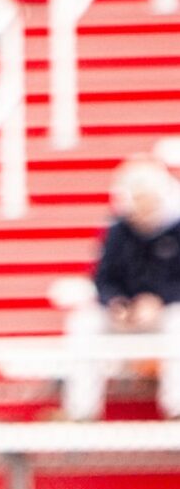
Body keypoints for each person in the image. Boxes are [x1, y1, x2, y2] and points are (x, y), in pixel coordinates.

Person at [62, 154, 180, 423]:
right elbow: (103, 278)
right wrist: (116, 303)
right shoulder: (118, 231)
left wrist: (159, 300)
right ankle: (82, 410)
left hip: (166, 312)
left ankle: (176, 407)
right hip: (125, 315)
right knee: (84, 324)